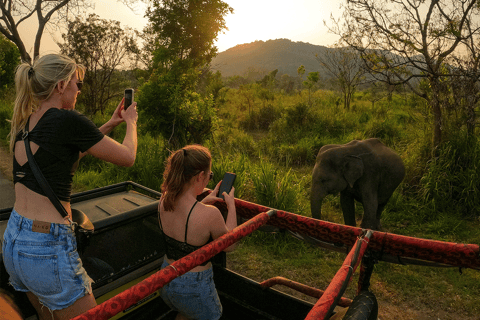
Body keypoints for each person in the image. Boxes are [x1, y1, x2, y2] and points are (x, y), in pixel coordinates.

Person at [2, 53, 138, 320]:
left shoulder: (26, 123)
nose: (78, 90)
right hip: (46, 247)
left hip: (14, 240)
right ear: (61, 86)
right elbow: (128, 157)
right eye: (77, 84)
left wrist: (111, 124)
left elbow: (64, 155)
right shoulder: (67, 120)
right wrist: (131, 123)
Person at [158, 145, 237, 320]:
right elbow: (230, 245)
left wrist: (203, 201)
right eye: (210, 175)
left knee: (185, 313)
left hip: (166, 279)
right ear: (200, 176)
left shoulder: (164, 199)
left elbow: (185, 211)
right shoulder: (210, 214)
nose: (209, 179)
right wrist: (231, 206)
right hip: (194, 285)